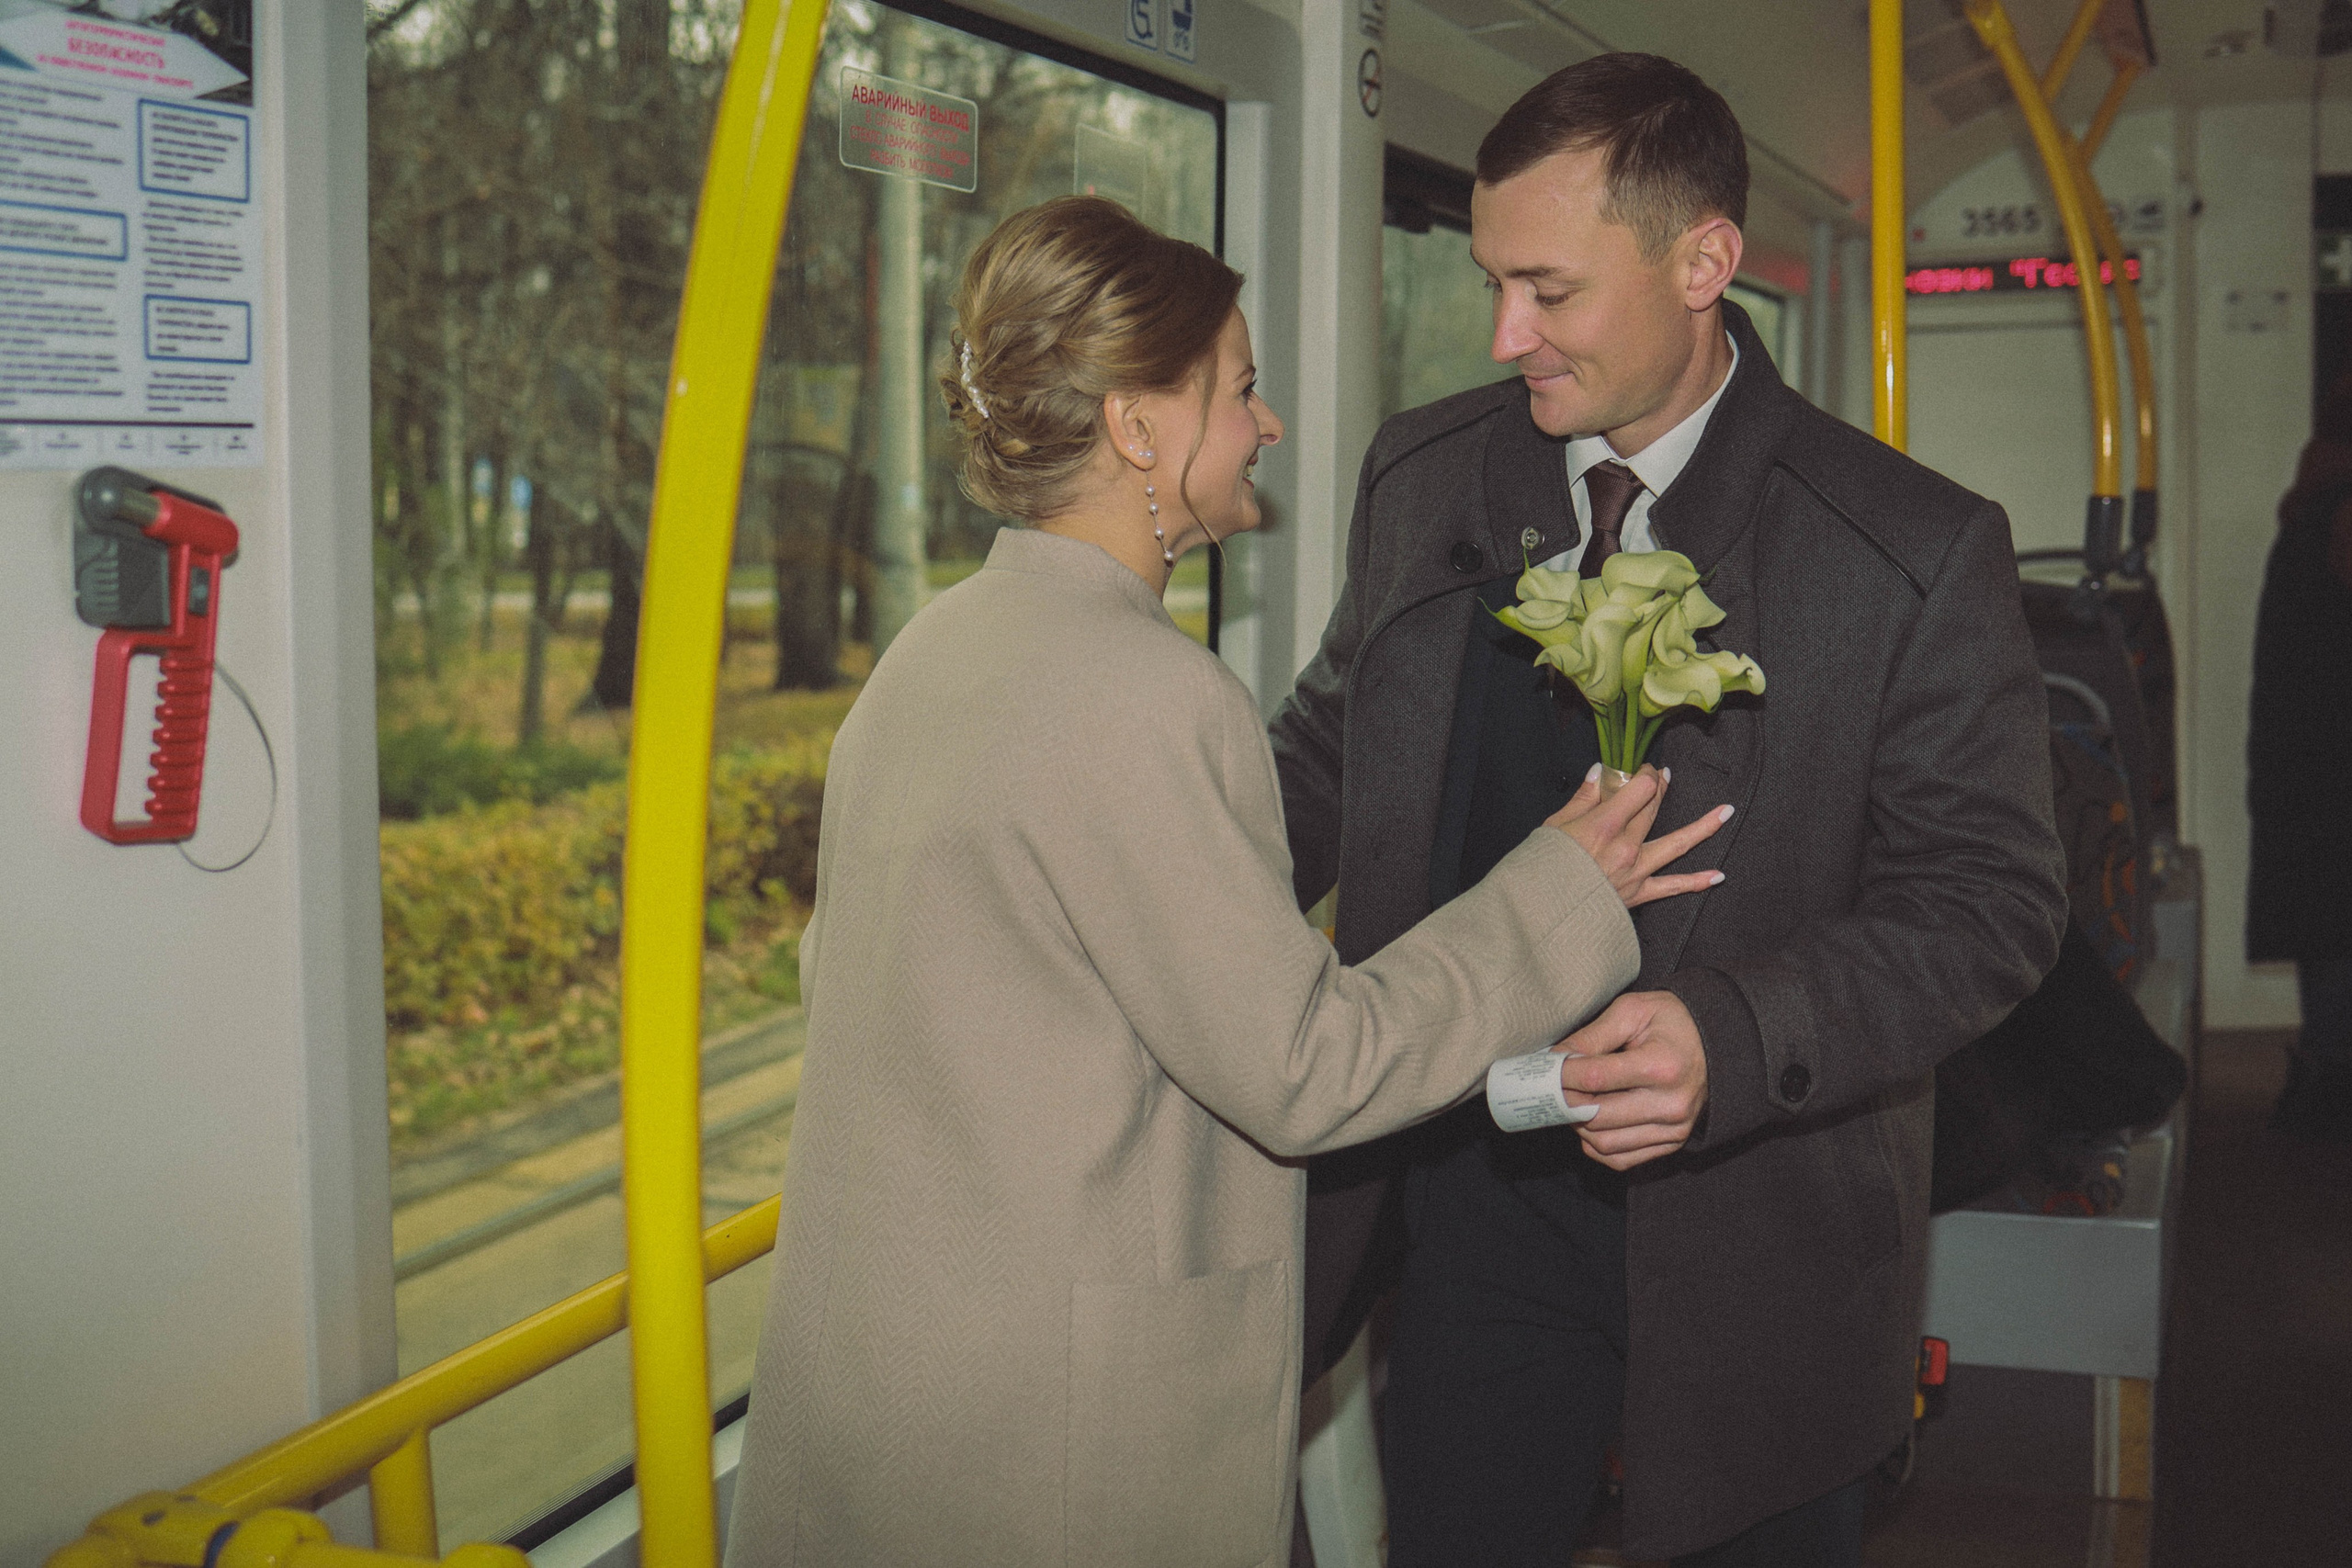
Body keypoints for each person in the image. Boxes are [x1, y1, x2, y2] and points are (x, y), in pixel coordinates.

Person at [722, 196, 1729, 1568]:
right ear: (1138, 424)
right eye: (1241, 387)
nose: (1266, 424)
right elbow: (1312, 1067)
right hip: (1061, 1435)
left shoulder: (928, 654)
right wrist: (1564, 887)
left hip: (896, 1378)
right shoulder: (1147, 693)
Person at [1272, 56, 2069, 1566]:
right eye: (1492, 283)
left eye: (1550, 291)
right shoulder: (1424, 476)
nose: (1506, 337)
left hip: (1760, 1230)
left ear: (1705, 260)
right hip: (1466, 1206)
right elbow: (1332, 747)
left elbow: (1990, 901)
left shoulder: (1906, 552)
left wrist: (1739, 1031)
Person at [2249, 379, 2352, 1141]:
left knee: (2327, 936)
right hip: (2330, 764)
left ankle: (2324, 1077)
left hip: (2308, 768)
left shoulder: (2307, 516)